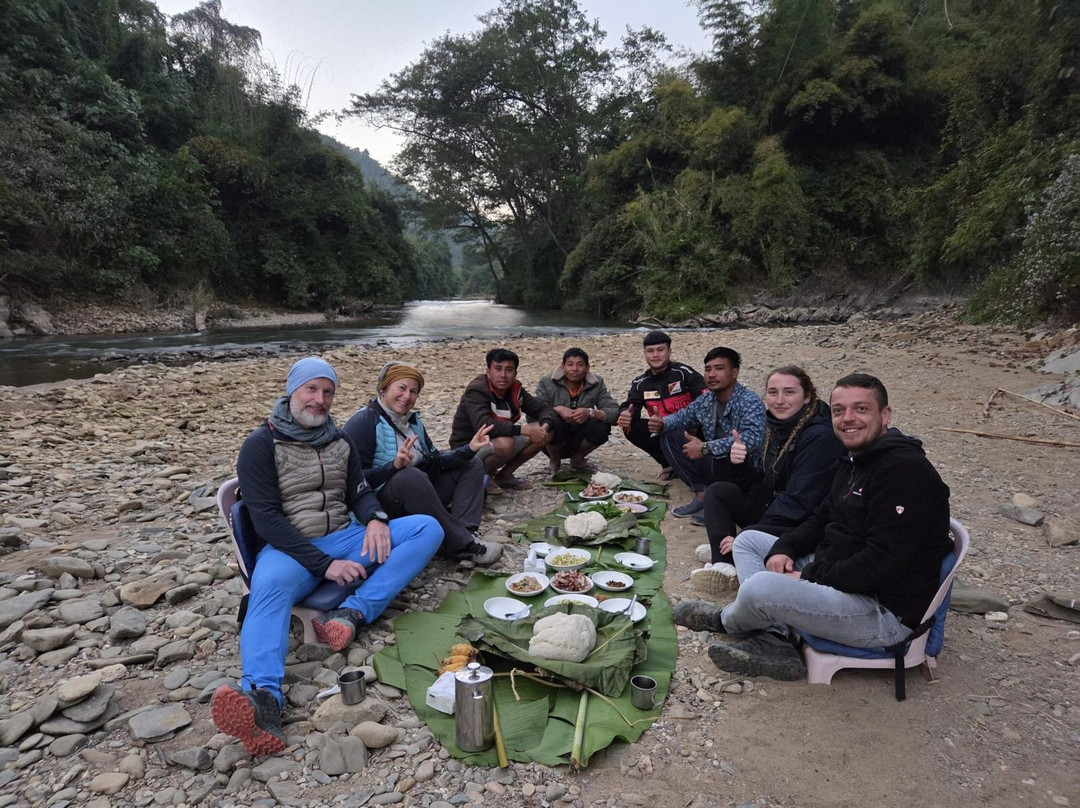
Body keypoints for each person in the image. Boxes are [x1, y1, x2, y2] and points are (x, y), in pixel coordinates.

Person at [211, 357, 443, 755]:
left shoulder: (340, 440)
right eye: (311, 390)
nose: (320, 400)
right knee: (267, 588)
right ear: (292, 391)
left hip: (345, 535)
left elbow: (359, 492)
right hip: (290, 548)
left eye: (328, 392)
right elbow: (265, 520)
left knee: (427, 528)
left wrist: (374, 519)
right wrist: (324, 565)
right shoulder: (260, 445)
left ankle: (352, 612)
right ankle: (263, 699)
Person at [673, 373, 953, 682]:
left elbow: (882, 565)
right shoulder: (857, 459)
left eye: (861, 409)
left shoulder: (905, 473)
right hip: (841, 574)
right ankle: (775, 636)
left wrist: (808, 576)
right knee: (750, 541)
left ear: (884, 415)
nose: (848, 419)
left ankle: (729, 621)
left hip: (881, 612)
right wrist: (785, 548)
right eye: (838, 410)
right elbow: (823, 517)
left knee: (759, 587)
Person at [689, 366, 844, 598]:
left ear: (807, 397)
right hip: (776, 506)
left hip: (802, 522)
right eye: (773, 393)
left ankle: (735, 553)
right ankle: (724, 562)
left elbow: (799, 503)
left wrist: (749, 533)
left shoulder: (819, 436)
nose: (779, 400)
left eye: (789, 392)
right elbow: (761, 483)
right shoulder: (775, 426)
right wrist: (738, 463)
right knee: (719, 491)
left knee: (747, 536)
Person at [343, 361, 503, 566]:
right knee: (409, 476)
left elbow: (435, 462)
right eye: (401, 388)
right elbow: (354, 480)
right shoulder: (364, 421)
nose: (407, 396)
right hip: (381, 506)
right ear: (384, 387)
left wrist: (469, 449)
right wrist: (393, 466)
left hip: (420, 494)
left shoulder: (412, 422)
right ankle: (463, 544)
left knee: (471, 463)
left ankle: (465, 533)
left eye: (413, 391)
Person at [647, 347, 765, 519]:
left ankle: (722, 504)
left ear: (734, 373)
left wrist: (705, 448)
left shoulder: (749, 401)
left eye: (719, 368)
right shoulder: (706, 400)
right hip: (716, 464)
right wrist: (662, 422)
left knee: (735, 454)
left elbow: (753, 439)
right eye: (708, 369)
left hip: (746, 470)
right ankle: (702, 495)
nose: (711, 374)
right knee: (670, 435)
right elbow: (682, 417)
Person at [449, 348, 558, 492]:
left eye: (509, 370)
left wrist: (544, 427)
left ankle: (505, 475)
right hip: (467, 448)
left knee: (545, 432)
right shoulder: (477, 390)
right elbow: (484, 425)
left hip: (495, 441)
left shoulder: (514, 389)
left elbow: (544, 409)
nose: (503, 375)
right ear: (488, 371)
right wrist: (523, 429)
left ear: (515, 373)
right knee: (505, 443)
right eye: (498, 369)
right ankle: (484, 476)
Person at [616, 331, 706, 479]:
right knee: (630, 427)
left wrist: (694, 423)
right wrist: (626, 413)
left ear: (669, 351)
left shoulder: (684, 373)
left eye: (660, 350)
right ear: (645, 354)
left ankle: (701, 464)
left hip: (691, 430)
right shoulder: (640, 383)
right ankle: (668, 464)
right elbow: (632, 405)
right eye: (650, 351)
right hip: (662, 429)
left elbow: (705, 398)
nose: (655, 355)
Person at [534, 347, 620, 475]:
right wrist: (558, 409)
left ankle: (578, 459)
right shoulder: (547, 383)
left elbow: (614, 411)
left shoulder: (596, 383)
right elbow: (534, 411)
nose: (574, 369)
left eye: (580, 365)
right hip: (552, 439)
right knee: (552, 420)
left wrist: (591, 412)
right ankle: (554, 461)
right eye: (570, 364)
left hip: (579, 435)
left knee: (602, 426)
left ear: (587, 368)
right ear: (563, 367)